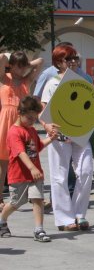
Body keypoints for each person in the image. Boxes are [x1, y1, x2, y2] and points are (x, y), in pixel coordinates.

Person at [39, 45, 94, 231]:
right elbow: (43, 110)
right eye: (67, 59)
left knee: (86, 171)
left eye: (75, 58)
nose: (73, 62)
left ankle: (79, 214)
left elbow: (92, 104)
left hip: (80, 132)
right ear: (58, 62)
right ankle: (64, 219)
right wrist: (47, 126)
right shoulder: (52, 83)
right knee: (59, 176)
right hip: (59, 134)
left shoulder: (84, 79)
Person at [0, 96, 56, 241]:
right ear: (20, 113)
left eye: (34, 118)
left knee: (37, 198)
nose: (32, 121)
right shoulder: (14, 132)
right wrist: (31, 168)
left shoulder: (31, 130)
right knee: (16, 202)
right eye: (29, 118)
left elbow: (37, 147)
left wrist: (51, 139)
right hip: (19, 174)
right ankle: (2, 220)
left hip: (35, 174)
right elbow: (20, 152)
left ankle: (39, 230)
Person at [0, 52, 43, 204]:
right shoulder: (4, 77)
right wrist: (11, 65)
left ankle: (32, 194)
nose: (20, 70)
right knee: (3, 162)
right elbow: (1, 58)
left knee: (29, 157)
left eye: (22, 67)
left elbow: (41, 61)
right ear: (11, 65)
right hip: (6, 120)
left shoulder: (26, 80)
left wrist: (26, 65)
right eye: (17, 66)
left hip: (22, 122)